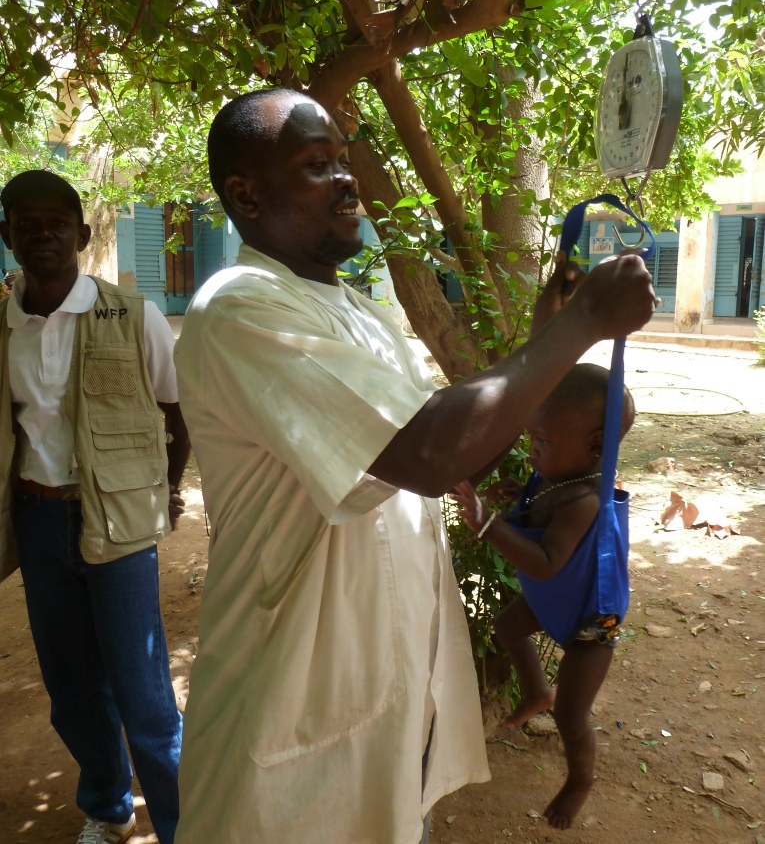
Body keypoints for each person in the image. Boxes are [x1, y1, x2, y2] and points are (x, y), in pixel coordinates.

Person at [172, 87, 655, 844]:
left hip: (380, 695)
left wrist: (551, 328)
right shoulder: (242, 309)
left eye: (342, 159)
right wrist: (586, 322)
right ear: (246, 194)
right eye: (314, 164)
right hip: (291, 694)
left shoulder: (358, 311)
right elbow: (428, 453)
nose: (345, 179)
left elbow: (458, 439)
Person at [0, 170, 191, 844]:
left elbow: (176, 411)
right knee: (73, 687)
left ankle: (178, 826)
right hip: (40, 521)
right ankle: (107, 808)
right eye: (27, 222)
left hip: (119, 524)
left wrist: (164, 492)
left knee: (143, 693)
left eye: (58, 221)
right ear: (7, 236)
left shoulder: (131, 315)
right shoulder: (5, 327)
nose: (43, 232)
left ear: (82, 234)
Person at [449, 363, 635, 831]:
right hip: (556, 596)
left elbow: (544, 561)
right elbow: (534, 518)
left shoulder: (584, 500)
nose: (533, 450)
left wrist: (489, 523)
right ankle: (536, 690)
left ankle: (579, 780)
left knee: (573, 715)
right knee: (507, 628)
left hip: (590, 621)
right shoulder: (554, 478)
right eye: (532, 438)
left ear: (595, 444)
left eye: (543, 442)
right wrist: (515, 503)